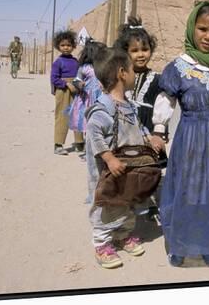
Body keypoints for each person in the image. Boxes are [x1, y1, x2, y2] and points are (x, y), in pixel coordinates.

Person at [150, 0, 209, 268]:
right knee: (189, 192)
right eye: (202, 29)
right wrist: (159, 130)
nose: (207, 36)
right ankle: (183, 243)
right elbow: (165, 100)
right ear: (192, 28)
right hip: (190, 141)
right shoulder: (179, 67)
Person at [85, 47, 155, 269]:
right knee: (107, 208)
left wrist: (149, 137)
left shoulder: (129, 106)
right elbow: (93, 134)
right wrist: (108, 157)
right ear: (122, 73)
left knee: (127, 205)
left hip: (129, 171)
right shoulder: (103, 108)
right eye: (133, 70)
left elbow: (139, 127)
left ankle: (123, 236)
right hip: (110, 173)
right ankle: (102, 245)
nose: (135, 74)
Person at [114, 16, 166, 218]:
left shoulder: (158, 80)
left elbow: (163, 109)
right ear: (125, 52)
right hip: (126, 133)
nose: (141, 55)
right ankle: (131, 205)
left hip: (149, 131)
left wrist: (160, 133)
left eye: (144, 49)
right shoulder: (120, 76)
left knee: (151, 171)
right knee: (128, 170)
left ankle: (153, 204)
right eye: (134, 51)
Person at [66, 38, 106, 203]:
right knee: (87, 124)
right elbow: (76, 79)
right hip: (86, 99)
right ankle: (89, 149)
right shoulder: (84, 68)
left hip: (100, 98)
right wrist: (79, 84)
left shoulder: (103, 66)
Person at [50, 30, 84, 155]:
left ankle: (80, 143)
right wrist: (66, 84)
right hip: (63, 91)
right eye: (63, 45)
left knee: (79, 115)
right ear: (58, 46)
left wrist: (80, 83)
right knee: (62, 117)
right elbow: (54, 79)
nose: (66, 48)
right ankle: (58, 145)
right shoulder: (58, 62)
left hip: (76, 90)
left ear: (73, 46)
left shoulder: (76, 62)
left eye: (69, 45)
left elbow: (80, 75)